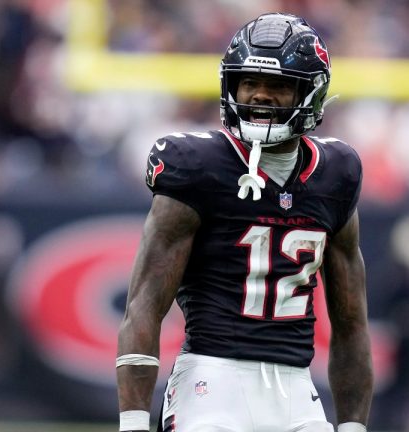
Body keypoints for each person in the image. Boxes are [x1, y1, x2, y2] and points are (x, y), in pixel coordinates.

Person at [116, 12, 372, 432]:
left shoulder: (336, 174)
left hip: (296, 390)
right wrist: (132, 422)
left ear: (310, 94)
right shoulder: (197, 165)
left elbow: (351, 323)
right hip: (211, 383)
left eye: (278, 85)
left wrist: (352, 425)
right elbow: (143, 305)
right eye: (249, 82)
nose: (259, 96)